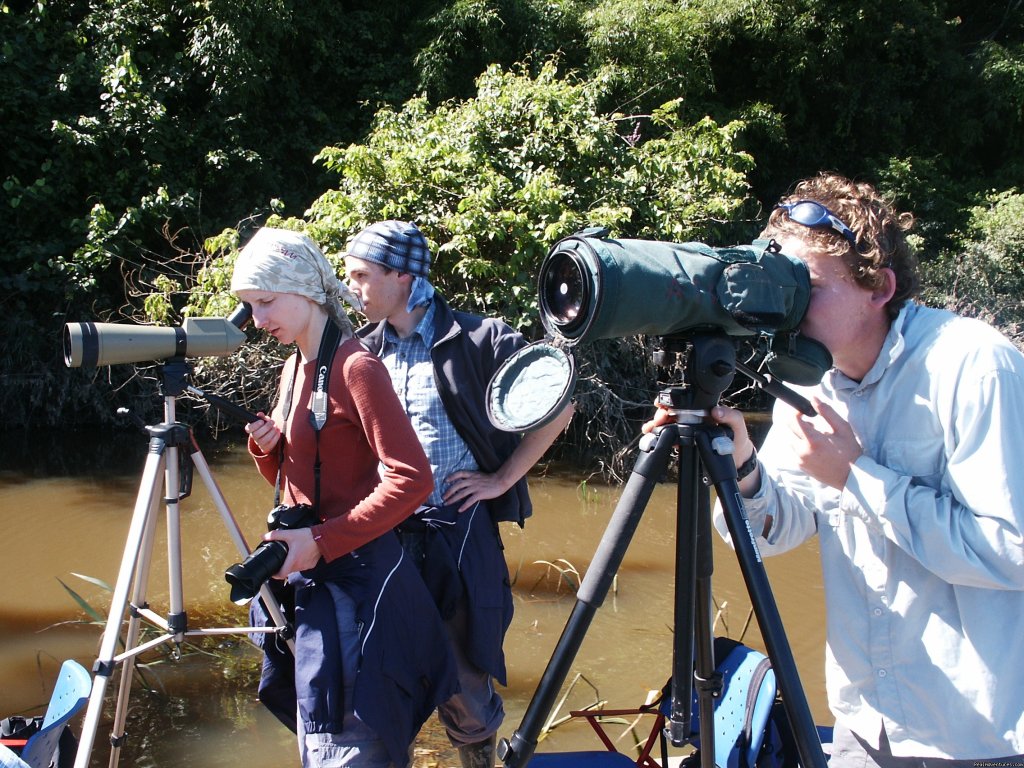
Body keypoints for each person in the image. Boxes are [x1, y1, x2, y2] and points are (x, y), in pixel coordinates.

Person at [648, 172, 1024, 767]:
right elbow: (779, 527)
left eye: (808, 286)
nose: (787, 306)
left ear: (879, 288)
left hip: (967, 738)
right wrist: (741, 461)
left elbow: (1010, 549)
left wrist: (855, 477)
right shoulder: (811, 378)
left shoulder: (975, 368)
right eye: (781, 283)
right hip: (862, 723)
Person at [342, 220, 574, 768]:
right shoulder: (361, 353)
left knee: (465, 682)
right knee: (376, 672)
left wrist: (501, 479)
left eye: (361, 276)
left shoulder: (480, 339)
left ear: (402, 275)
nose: (352, 287)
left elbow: (559, 406)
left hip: (458, 534)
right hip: (385, 540)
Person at [230, 227, 458, 768]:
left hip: (354, 588)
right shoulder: (294, 367)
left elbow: (411, 479)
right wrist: (268, 452)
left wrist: (322, 541)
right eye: (249, 307)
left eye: (265, 303)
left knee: (349, 742)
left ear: (306, 290)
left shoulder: (356, 366)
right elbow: (310, 487)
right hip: (311, 577)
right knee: (319, 737)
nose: (258, 321)